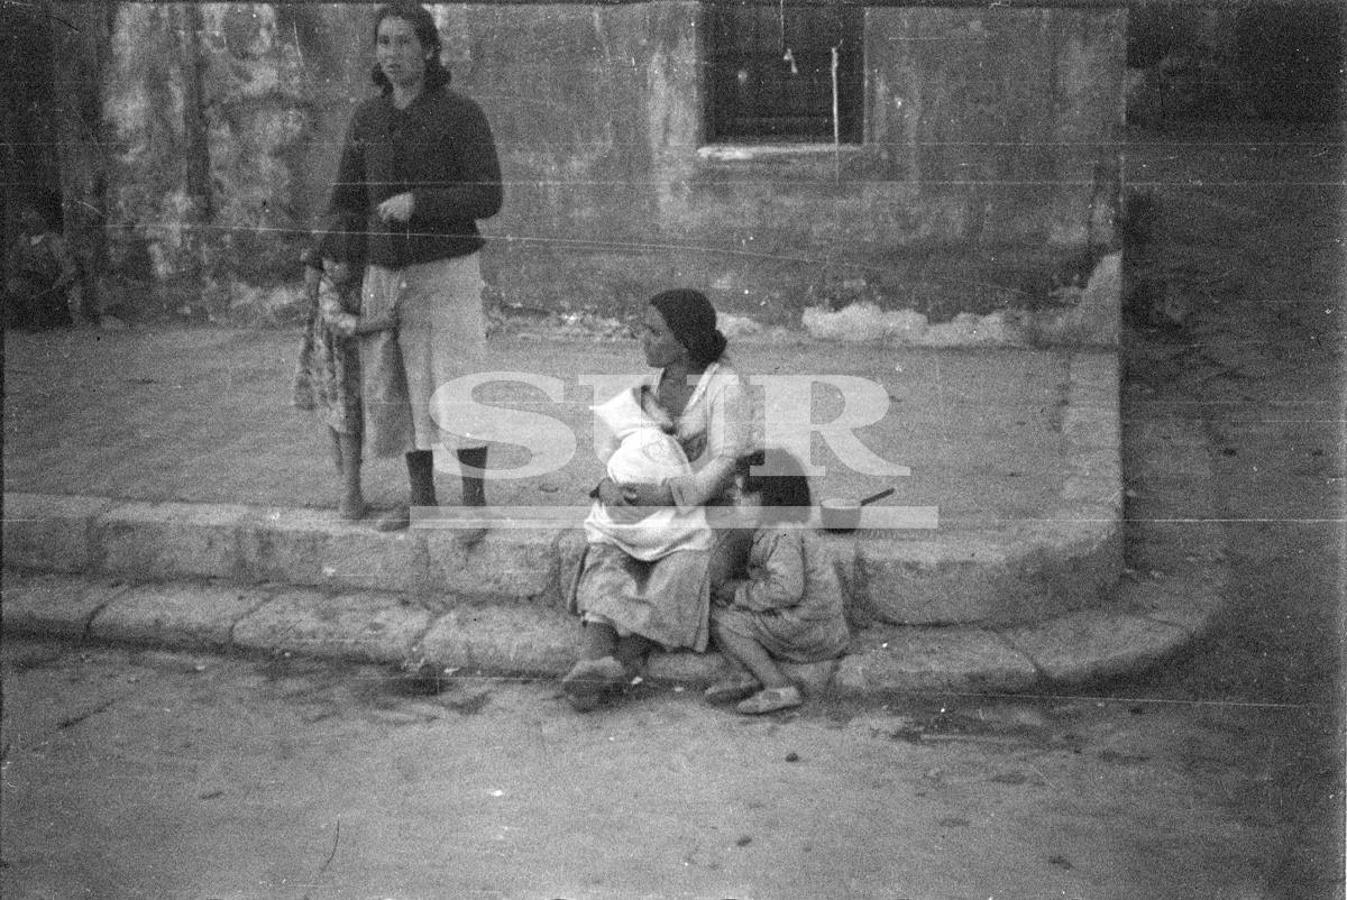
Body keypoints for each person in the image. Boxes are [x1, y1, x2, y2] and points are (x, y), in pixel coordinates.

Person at [327, 1, 503, 531]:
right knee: (401, 390)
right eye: (384, 42)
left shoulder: (460, 113)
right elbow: (346, 198)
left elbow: (488, 195)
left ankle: (474, 503)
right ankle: (422, 502)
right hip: (387, 276)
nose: (393, 54)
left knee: (457, 382)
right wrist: (327, 259)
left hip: (447, 272)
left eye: (405, 42)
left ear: (429, 49)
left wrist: (418, 202)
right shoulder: (367, 117)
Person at [562, 288, 756, 711]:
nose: (642, 338)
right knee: (607, 553)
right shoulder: (650, 386)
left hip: (710, 511)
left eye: (653, 331)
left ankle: (618, 661)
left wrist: (664, 493)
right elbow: (623, 455)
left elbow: (724, 464)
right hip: (650, 509)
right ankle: (592, 661)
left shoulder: (725, 388)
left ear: (683, 340)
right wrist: (606, 486)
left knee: (683, 567)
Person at [705, 447, 851, 715]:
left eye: (742, 492)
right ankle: (744, 674)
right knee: (725, 610)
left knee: (723, 620)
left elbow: (786, 590)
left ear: (768, 498)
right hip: (812, 624)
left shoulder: (782, 535)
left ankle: (778, 685)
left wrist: (738, 593)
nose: (734, 497)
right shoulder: (777, 528)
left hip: (807, 629)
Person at [292, 216, 398, 520]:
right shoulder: (327, 286)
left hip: (351, 364)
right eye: (329, 260)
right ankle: (349, 492)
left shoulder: (362, 280)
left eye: (342, 262)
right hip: (333, 365)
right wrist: (378, 323)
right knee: (343, 423)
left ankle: (350, 488)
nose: (334, 267)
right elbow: (338, 323)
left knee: (346, 424)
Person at [583, 384, 707, 561]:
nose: (665, 408)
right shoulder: (644, 439)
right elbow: (610, 466)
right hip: (630, 519)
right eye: (657, 407)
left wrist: (664, 494)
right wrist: (606, 487)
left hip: (651, 520)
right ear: (638, 415)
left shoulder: (717, 391)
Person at [4, 206, 77, 330]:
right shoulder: (23, 240)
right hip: (26, 279)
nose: (31, 224)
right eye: (28, 221)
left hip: (48, 283)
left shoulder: (53, 240)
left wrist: (57, 285)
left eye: (35, 220)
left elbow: (68, 268)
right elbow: (13, 263)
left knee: (38, 296)